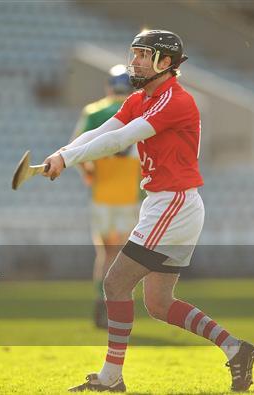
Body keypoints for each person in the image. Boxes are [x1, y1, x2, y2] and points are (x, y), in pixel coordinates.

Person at [42, 30, 254, 393]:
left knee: (114, 283)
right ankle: (236, 349)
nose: (136, 60)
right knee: (158, 304)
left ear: (166, 63)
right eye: (136, 53)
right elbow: (103, 129)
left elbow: (121, 139)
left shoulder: (176, 100)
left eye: (145, 55)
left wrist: (67, 158)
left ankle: (111, 378)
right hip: (170, 204)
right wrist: (61, 152)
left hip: (173, 203)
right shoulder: (142, 98)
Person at [72, 66, 141, 329]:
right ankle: (116, 305)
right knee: (122, 254)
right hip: (128, 195)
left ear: (109, 87)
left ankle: (101, 303)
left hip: (102, 195)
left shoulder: (94, 112)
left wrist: (88, 172)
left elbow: (76, 147)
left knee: (104, 254)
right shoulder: (139, 111)